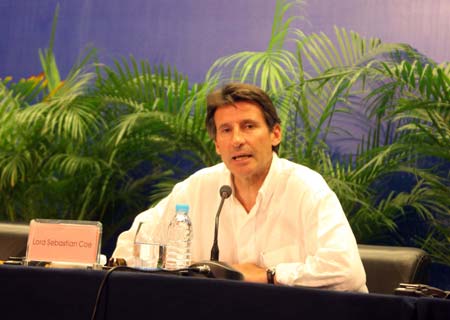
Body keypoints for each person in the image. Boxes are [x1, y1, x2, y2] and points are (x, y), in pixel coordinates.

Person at [112, 82, 368, 292]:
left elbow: (347, 272)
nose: (237, 140)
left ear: (275, 134)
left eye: (248, 126)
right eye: (226, 130)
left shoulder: (307, 189)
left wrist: (271, 276)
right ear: (217, 145)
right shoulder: (196, 189)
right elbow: (130, 245)